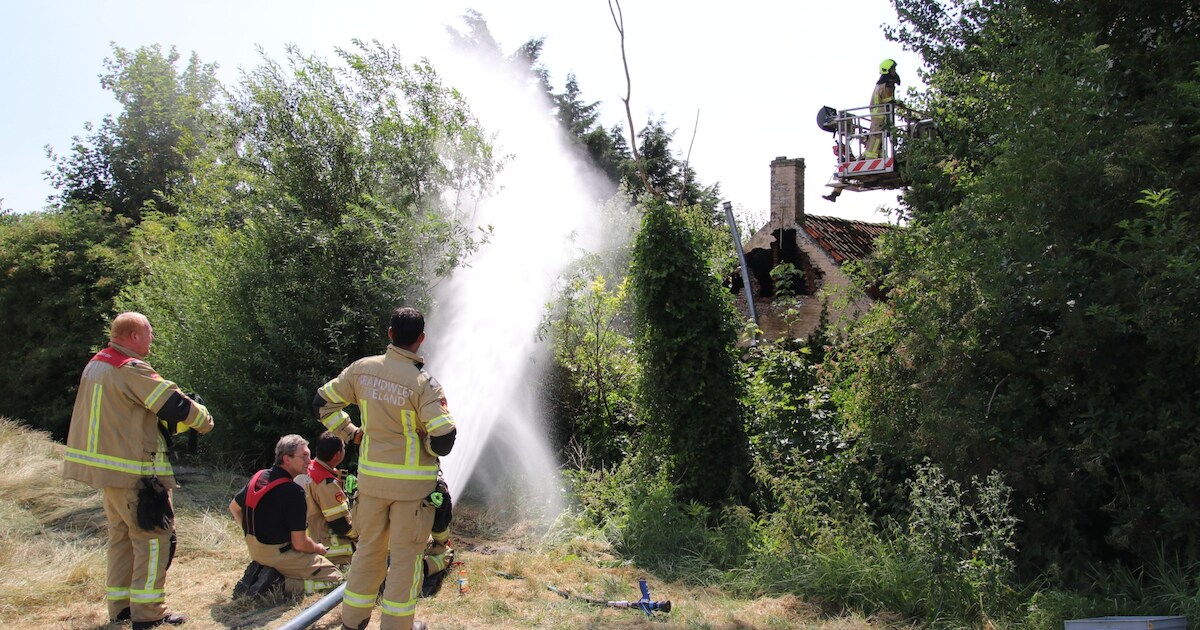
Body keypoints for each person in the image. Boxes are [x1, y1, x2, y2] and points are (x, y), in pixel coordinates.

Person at [63, 312, 215, 629]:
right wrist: (203, 418)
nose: (152, 338)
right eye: (149, 333)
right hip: (137, 475)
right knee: (154, 539)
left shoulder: (97, 364)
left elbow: (130, 414)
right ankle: (149, 613)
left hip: (109, 474)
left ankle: (120, 609)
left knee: (121, 538)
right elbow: (173, 404)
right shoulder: (130, 368)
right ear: (134, 336)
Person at [313, 306, 457, 630]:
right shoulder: (424, 384)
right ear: (421, 339)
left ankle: (352, 623)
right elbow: (444, 438)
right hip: (412, 494)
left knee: (367, 553)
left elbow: (321, 403)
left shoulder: (361, 370)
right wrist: (426, 445)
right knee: (405, 560)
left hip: (371, 486)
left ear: (390, 334)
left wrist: (350, 433)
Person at [229, 434, 344, 596]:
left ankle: (263, 573)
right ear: (287, 459)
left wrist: (250, 534)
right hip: (280, 555)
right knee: (336, 579)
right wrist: (318, 548)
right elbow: (300, 544)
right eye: (304, 456)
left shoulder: (259, 477)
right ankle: (277, 585)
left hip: (255, 551)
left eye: (309, 456)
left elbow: (234, 508)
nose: (309, 461)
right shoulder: (294, 491)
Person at [295, 431, 357, 567]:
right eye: (343, 448)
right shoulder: (327, 483)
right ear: (337, 455)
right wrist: (360, 536)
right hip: (325, 546)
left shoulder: (306, 470)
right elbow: (340, 523)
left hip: (303, 539)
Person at [865, 58, 902, 159]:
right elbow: (888, 101)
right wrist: (899, 104)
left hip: (880, 114)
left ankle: (879, 156)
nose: (895, 71)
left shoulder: (883, 83)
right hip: (879, 114)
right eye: (893, 69)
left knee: (880, 137)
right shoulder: (885, 85)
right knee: (877, 137)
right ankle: (871, 158)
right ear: (887, 70)